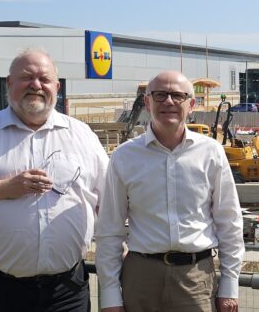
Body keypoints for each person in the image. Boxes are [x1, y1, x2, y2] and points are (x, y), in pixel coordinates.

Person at [0, 49, 109, 312]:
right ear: (9, 83)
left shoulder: (83, 136)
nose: (36, 85)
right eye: (26, 77)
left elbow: (109, 204)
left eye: (44, 79)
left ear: (56, 87)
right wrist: (4, 188)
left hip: (66, 293)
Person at [97, 70, 244, 312]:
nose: (168, 102)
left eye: (178, 95)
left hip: (195, 279)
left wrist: (229, 286)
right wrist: (110, 295)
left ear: (192, 104)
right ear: (147, 102)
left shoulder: (211, 153)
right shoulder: (124, 157)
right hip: (141, 278)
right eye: (160, 95)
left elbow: (229, 222)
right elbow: (109, 229)